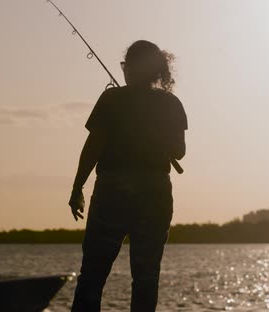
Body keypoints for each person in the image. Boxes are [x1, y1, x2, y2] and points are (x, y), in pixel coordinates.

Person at [69, 40, 187, 312]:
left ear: (132, 67)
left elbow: (93, 147)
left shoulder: (112, 100)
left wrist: (77, 188)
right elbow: (179, 152)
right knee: (146, 278)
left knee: (93, 276)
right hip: (155, 192)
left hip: (113, 189)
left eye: (125, 65)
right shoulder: (171, 104)